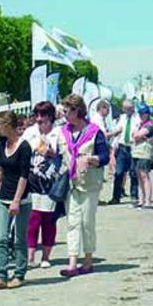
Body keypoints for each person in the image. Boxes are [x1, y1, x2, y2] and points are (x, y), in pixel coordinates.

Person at [57, 94, 110, 277]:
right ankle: (72, 262)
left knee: (87, 222)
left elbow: (105, 157)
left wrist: (91, 159)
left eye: (66, 110)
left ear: (77, 111)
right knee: (72, 222)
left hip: (89, 183)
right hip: (70, 184)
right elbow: (59, 156)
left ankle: (87, 260)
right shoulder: (62, 132)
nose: (64, 114)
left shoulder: (95, 132)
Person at [0, 111, 32, 291]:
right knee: (1, 238)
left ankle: (19, 274)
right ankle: (2, 275)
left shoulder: (24, 146)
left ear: (7, 125)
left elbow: (24, 176)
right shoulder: (1, 144)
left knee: (19, 239)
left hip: (21, 199)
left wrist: (16, 200)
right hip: (2, 197)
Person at [23, 101, 59, 269]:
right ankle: (30, 257)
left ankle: (46, 256)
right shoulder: (29, 132)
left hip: (50, 181)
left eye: (43, 115)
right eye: (36, 115)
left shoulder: (58, 132)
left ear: (50, 117)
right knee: (33, 219)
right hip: (31, 181)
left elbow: (64, 155)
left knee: (48, 220)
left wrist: (51, 152)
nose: (39, 119)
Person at [107, 99, 139, 205]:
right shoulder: (122, 118)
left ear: (133, 108)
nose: (127, 110)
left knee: (133, 173)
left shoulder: (137, 118)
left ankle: (134, 196)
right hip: (122, 147)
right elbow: (118, 130)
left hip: (133, 147)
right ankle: (116, 197)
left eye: (129, 108)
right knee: (118, 172)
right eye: (125, 109)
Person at [131, 104, 153, 209]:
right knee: (139, 176)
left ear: (147, 114)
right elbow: (133, 135)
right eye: (140, 113)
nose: (141, 115)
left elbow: (137, 135)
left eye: (143, 113)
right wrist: (137, 135)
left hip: (145, 153)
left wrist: (137, 135)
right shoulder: (141, 124)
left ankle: (148, 201)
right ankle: (141, 200)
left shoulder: (149, 125)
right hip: (137, 152)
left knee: (144, 176)